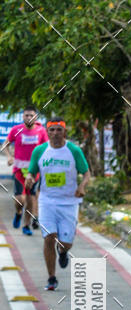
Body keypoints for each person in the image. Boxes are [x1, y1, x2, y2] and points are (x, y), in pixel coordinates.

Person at [26, 118, 90, 291]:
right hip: (47, 201)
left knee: (65, 242)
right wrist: (29, 179)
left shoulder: (73, 151)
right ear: (47, 132)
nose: (55, 133)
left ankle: (63, 252)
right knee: (48, 237)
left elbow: (86, 173)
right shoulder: (40, 151)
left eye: (58, 130)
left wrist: (82, 186)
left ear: (64, 132)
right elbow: (32, 172)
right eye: (52, 130)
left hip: (69, 202)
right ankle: (51, 278)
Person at [1, 105, 48, 235]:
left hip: (34, 171)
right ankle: (18, 213)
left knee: (31, 198)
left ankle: (26, 225)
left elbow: (46, 148)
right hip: (19, 170)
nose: (28, 117)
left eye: (31, 115)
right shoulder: (16, 130)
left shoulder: (41, 131)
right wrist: (10, 156)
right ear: (22, 117)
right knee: (19, 199)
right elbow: (6, 143)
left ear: (36, 117)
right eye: (26, 115)